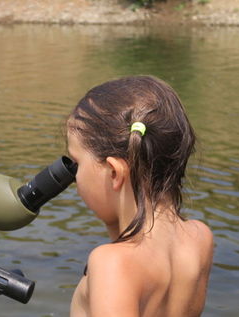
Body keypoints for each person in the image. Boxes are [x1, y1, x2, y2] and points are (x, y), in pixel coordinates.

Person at [66, 76, 213, 317]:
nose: (73, 178)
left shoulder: (111, 264)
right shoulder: (200, 239)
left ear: (114, 172)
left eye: (75, 163)